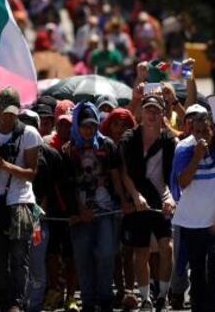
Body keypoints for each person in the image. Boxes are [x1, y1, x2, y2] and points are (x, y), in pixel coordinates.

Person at [170, 104, 215, 312]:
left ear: (213, 130)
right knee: (198, 273)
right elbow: (183, 182)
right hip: (190, 223)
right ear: (192, 132)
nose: (202, 135)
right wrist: (196, 156)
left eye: (206, 130)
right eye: (198, 131)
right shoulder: (184, 150)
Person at [0, 87, 42, 312]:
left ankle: (16, 302)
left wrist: (5, 165)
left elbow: (31, 173)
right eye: (5, 112)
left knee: (19, 256)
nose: (9, 117)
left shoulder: (29, 134)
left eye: (13, 112)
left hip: (20, 199)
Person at [119, 89, 177, 311]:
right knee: (140, 251)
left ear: (162, 114)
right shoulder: (129, 138)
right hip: (137, 198)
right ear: (141, 113)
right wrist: (135, 196)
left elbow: (172, 176)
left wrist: (171, 198)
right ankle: (145, 299)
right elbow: (124, 173)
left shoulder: (168, 140)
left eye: (156, 110)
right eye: (148, 110)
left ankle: (162, 296)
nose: (152, 114)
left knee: (167, 247)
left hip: (161, 197)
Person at [63, 102, 125, 312]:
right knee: (83, 258)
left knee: (107, 254)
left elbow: (116, 176)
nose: (89, 130)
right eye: (84, 125)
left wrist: (124, 200)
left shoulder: (107, 145)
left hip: (107, 209)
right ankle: (88, 302)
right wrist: (79, 210)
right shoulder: (69, 149)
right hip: (80, 214)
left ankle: (105, 298)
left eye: (92, 125)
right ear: (77, 125)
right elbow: (67, 185)